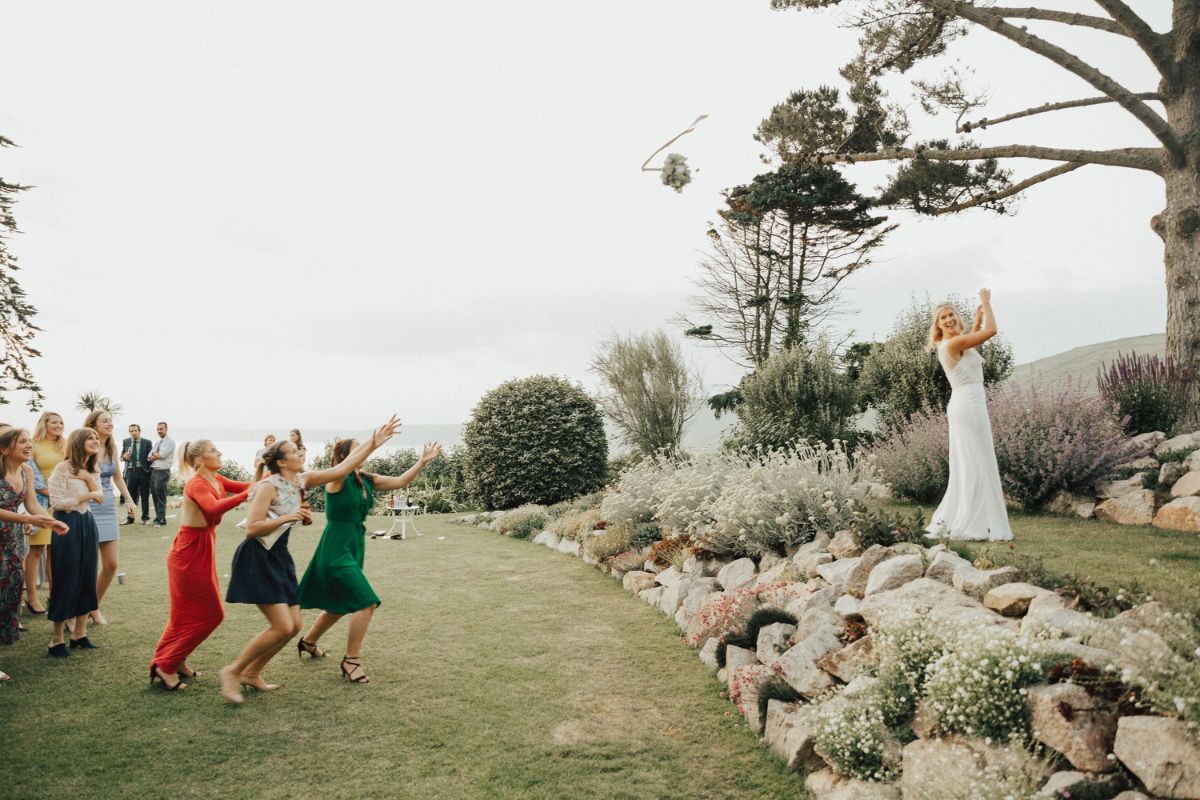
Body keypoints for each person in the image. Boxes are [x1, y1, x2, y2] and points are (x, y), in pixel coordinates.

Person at [216, 416, 398, 705]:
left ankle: (252, 672)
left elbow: (343, 467)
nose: (300, 453)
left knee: (293, 626)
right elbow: (252, 528)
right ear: (281, 462)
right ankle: (233, 671)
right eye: (294, 451)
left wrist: (373, 444)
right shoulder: (268, 486)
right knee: (281, 626)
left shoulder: (302, 479)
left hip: (279, 556)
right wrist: (288, 517)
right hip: (257, 556)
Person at [297, 440, 441, 685]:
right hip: (335, 548)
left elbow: (400, 481)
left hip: (354, 544)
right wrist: (373, 443)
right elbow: (343, 469)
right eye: (358, 448)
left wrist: (422, 461)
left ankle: (308, 642)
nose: (364, 450)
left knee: (339, 605)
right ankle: (351, 661)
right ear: (344, 455)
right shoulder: (337, 478)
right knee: (367, 603)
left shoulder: (365, 479)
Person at [148, 440, 250, 691]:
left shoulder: (217, 479)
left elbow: (249, 486)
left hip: (202, 550)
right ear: (199, 460)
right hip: (188, 554)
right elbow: (212, 508)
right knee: (213, 614)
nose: (220, 452)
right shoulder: (196, 483)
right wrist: (249, 495)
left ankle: (174, 660)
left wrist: (271, 478)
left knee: (181, 617)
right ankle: (165, 665)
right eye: (213, 451)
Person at [925, 289, 1013, 541]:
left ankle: (981, 519)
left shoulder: (959, 342)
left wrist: (976, 321)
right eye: (943, 318)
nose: (949, 319)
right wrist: (986, 302)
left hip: (971, 402)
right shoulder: (951, 344)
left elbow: (973, 343)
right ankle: (978, 522)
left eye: (951, 314)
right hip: (968, 404)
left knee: (975, 460)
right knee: (977, 461)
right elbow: (991, 332)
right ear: (938, 325)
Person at [0, 428, 67, 651]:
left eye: (29, 441)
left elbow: (31, 504)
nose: (29, 445)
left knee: (11, 588)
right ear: (4, 449)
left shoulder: (26, 470)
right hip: (6, 532)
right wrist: (28, 519)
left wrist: (51, 521)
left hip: (14, 539)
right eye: (22, 442)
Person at [47, 428, 105, 656]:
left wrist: (88, 478)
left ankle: (79, 634)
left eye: (96, 438)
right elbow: (56, 503)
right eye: (90, 438)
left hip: (87, 522)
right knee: (66, 576)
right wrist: (86, 495)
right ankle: (56, 640)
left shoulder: (93, 469)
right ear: (78, 442)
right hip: (66, 523)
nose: (95, 441)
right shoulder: (63, 468)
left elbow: (100, 497)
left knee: (88, 575)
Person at [83, 411, 137, 625]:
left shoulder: (112, 448)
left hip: (108, 509)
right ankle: (80, 611)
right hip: (87, 507)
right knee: (87, 565)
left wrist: (129, 499)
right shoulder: (84, 446)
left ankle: (93, 606)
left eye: (111, 421)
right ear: (93, 425)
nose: (110, 423)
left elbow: (117, 478)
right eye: (105, 420)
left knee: (112, 564)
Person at [26, 411, 66, 615]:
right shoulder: (33, 445)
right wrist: (52, 495)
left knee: (55, 552)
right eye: (54, 422)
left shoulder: (64, 445)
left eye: (61, 422)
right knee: (36, 550)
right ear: (44, 424)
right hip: (41, 502)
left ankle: (54, 596)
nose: (58, 425)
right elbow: (32, 477)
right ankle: (32, 597)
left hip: (63, 503)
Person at [121, 423, 152, 524]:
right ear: (129, 432)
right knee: (130, 497)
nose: (133, 433)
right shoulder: (126, 441)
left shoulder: (147, 442)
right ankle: (130, 518)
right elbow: (121, 457)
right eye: (131, 431)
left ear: (139, 431)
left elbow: (150, 459)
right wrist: (124, 456)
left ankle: (145, 518)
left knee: (145, 496)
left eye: (135, 430)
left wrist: (149, 471)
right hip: (131, 472)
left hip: (143, 472)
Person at [148, 421, 175, 527]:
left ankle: (159, 520)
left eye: (161, 429)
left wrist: (155, 455)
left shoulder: (170, 442)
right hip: (154, 470)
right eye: (158, 429)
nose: (159, 431)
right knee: (155, 496)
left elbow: (162, 455)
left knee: (161, 496)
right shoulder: (158, 442)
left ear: (166, 429)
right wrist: (155, 455)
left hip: (163, 471)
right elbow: (149, 457)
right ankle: (161, 518)